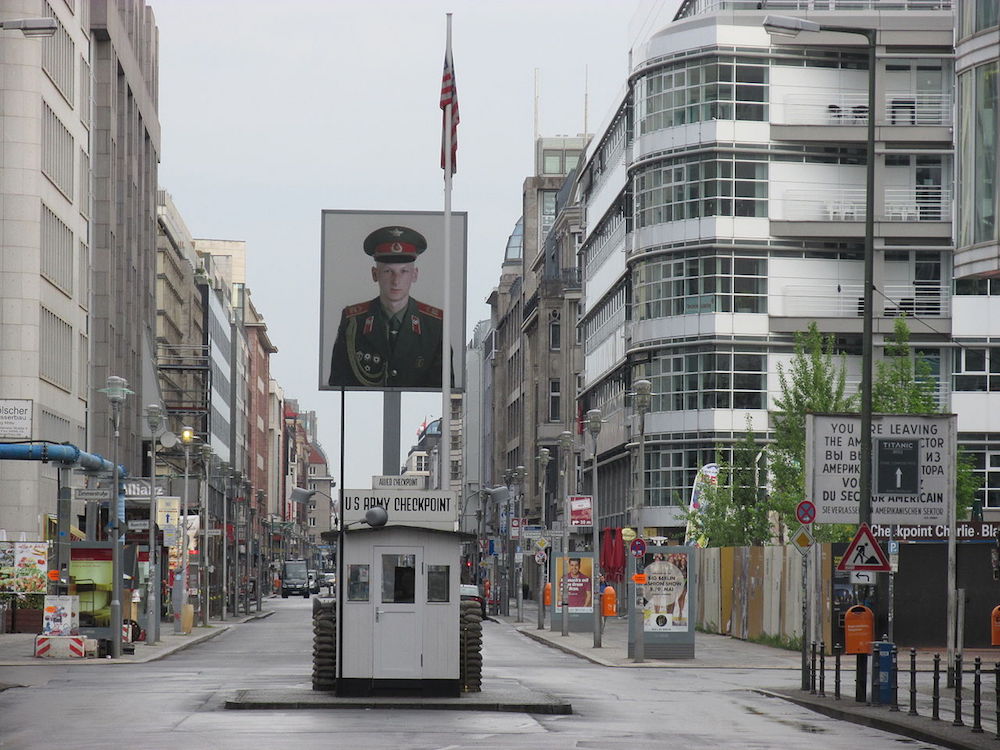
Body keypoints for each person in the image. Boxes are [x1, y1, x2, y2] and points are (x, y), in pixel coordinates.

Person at [328, 225, 451, 388]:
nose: (396, 280)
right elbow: (339, 381)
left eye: (404, 271)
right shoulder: (353, 322)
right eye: (387, 271)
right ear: (375, 274)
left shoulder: (434, 324)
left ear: (415, 275)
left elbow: (444, 387)